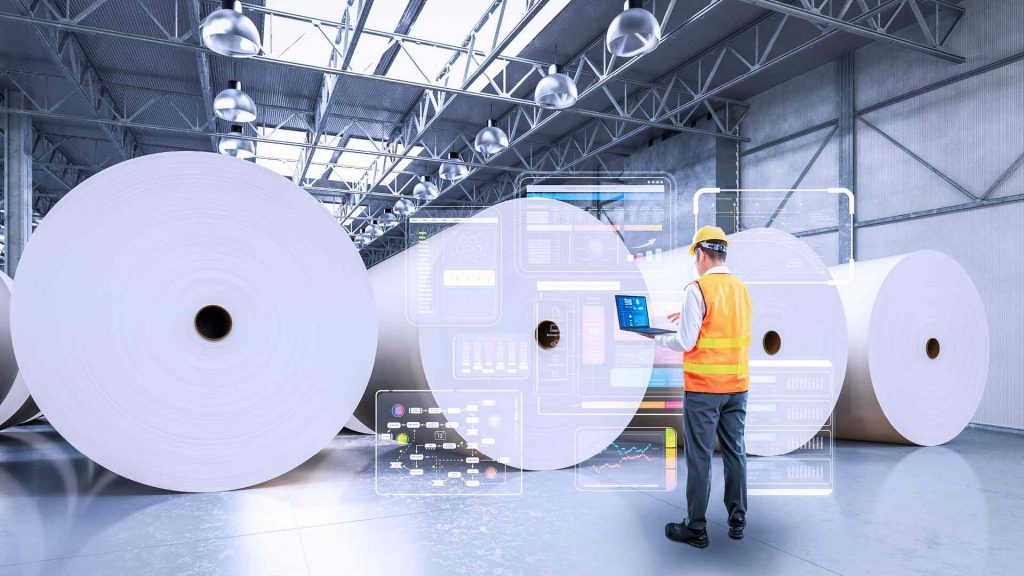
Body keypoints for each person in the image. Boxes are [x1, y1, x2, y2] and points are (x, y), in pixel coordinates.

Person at [648, 225, 752, 549]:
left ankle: (696, 528)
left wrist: (657, 336)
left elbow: (685, 341)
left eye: (696, 258)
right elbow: (723, 328)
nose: (696, 264)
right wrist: (691, 317)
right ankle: (737, 520)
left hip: (704, 390)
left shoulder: (697, 289)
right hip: (737, 386)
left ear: (703, 254)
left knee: (701, 458)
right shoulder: (741, 289)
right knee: (735, 452)